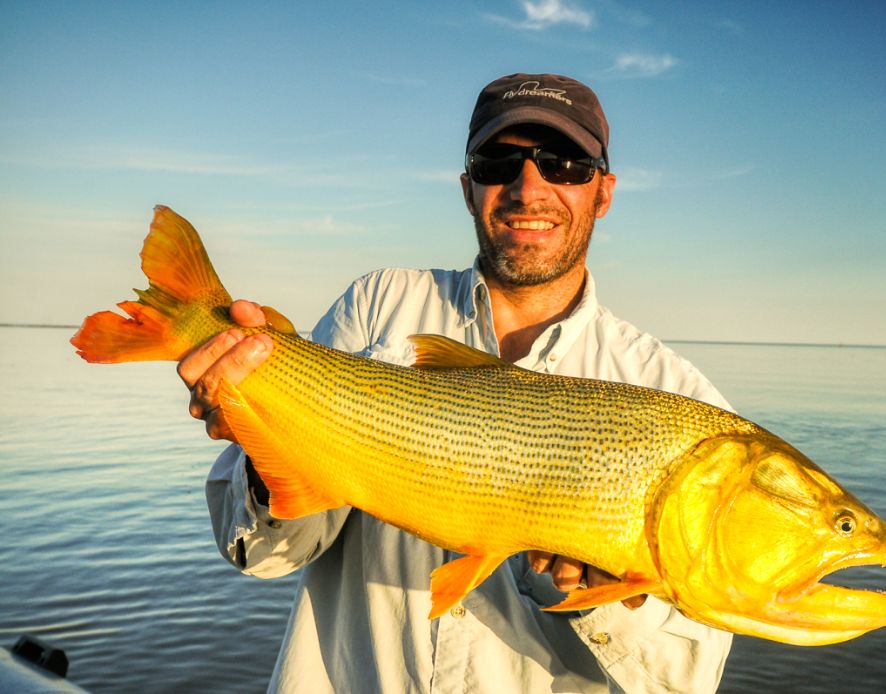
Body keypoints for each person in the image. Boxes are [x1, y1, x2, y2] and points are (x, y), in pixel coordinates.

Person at [182, 73, 734, 692]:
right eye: (499, 161)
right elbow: (264, 553)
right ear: (469, 188)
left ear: (602, 192)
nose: (530, 188)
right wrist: (268, 443)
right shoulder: (377, 305)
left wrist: (602, 597)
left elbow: (685, 679)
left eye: (565, 164)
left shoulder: (677, 397)